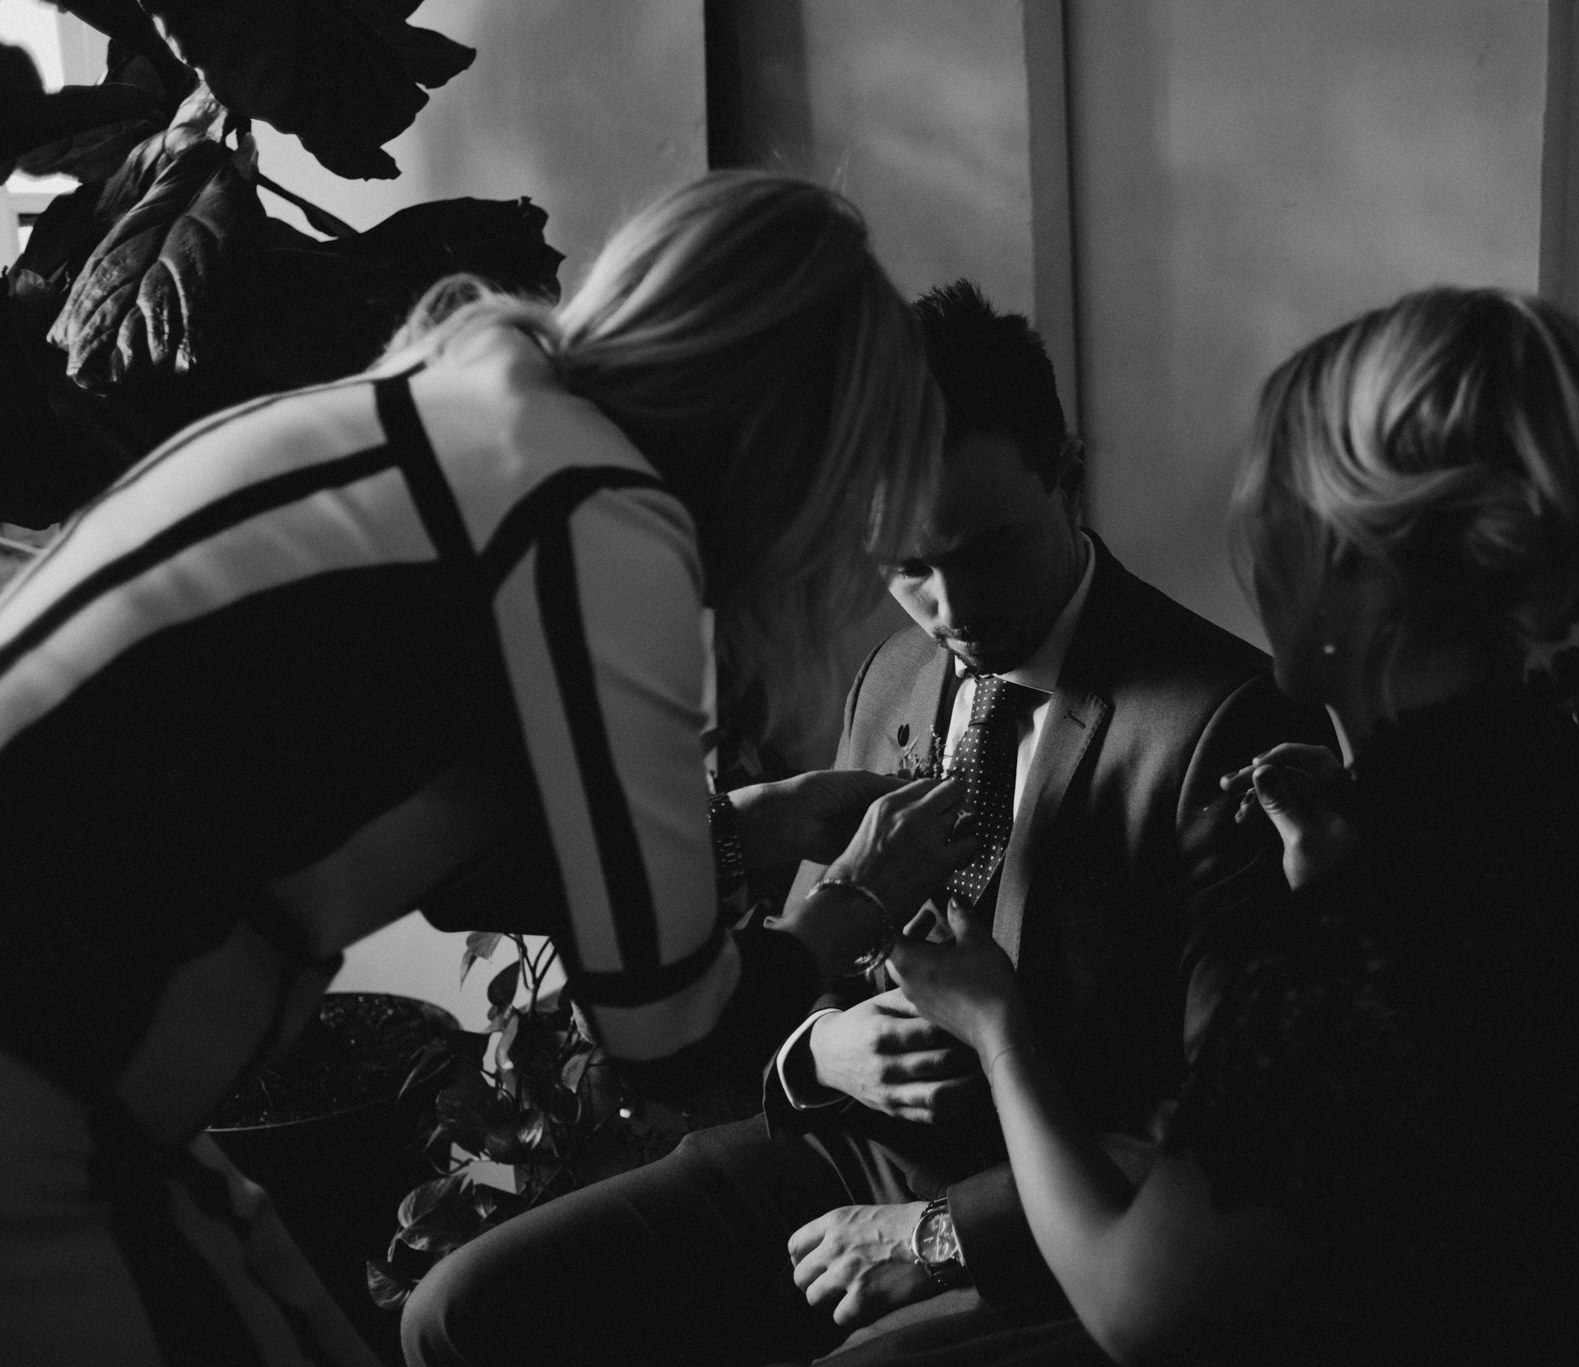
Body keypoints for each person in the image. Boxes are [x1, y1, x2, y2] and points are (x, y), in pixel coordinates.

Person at [0, 170, 973, 1366]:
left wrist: (747, 829)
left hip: (79, 1067)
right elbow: (672, 1036)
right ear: (794, 442)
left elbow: (460, 861)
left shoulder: (468, 404)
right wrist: (858, 900)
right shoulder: (597, 517)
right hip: (47, 1073)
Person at [400, 281, 1334, 1367]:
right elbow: (814, 964)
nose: (953, 610)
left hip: (1061, 1211)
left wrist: (941, 1235)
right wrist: (817, 1049)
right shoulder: (893, 672)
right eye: (905, 568)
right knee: (460, 1312)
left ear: (1066, 476)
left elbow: (1224, 1136)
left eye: (986, 552)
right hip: (840, 1143)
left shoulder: (1226, 723)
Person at [883, 286, 1579, 1365]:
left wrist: (997, 1026)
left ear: (1347, 562)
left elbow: (1140, 1306)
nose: (1249, 556)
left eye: (1264, 516)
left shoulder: (1380, 899)